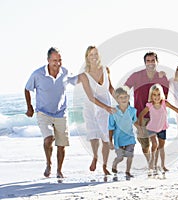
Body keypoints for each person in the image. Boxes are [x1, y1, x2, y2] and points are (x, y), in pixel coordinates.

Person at [24, 47, 78, 178]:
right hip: (44, 113)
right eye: (54, 60)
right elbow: (27, 89)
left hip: (61, 113)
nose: (58, 63)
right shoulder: (37, 74)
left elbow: (77, 81)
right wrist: (29, 107)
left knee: (61, 145)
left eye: (60, 60)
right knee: (49, 139)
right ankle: (49, 163)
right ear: (48, 60)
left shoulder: (65, 72)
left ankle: (59, 171)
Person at [124, 51, 169, 167]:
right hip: (140, 115)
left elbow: (165, 98)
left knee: (155, 142)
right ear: (144, 63)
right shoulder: (136, 76)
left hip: (156, 116)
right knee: (145, 144)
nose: (150, 63)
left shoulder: (162, 78)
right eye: (148, 61)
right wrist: (126, 106)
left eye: (153, 60)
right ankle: (150, 162)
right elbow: (125, 88)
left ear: (157, 62)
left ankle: (153, 164)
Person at [138, 83, 178, 176]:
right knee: (154, 144)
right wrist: (141, 128)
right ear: (151, 95)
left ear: (161, 94)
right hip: (152, 128)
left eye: (158, 94)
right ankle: (152, 164)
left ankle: (161, 165)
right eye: (154, 95)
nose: (156, 97)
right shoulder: (149, 105)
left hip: (162, 127)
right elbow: (141, 115)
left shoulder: (164, 103)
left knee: (161, 147)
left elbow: (176, 109)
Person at [78, 46, 116, 175]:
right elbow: (90, 97)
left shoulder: (106, 70)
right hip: (92, 107)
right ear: (87, 57)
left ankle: (105, 165)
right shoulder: (85, 75)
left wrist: (121, 99)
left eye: (95, 54)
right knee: (94, 136)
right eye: (90, 55)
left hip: (106, 107)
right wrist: (105, 107)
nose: (93, 56)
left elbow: (110, 87)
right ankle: (95, 156)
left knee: (106, 138)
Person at [108, 86, 140, 178]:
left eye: (125, 97)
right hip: (118, 139)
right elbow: (110, 128)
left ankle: (128, 171)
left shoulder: (133, 111)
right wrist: (110, 141)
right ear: (117, 99)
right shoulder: (113, 112)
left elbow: (135, 121)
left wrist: (141, 130)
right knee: (120, 157)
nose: (123, 99)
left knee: (130, 155)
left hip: (130, 137)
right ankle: (115, 164)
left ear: (129, 97)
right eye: (121, 97)